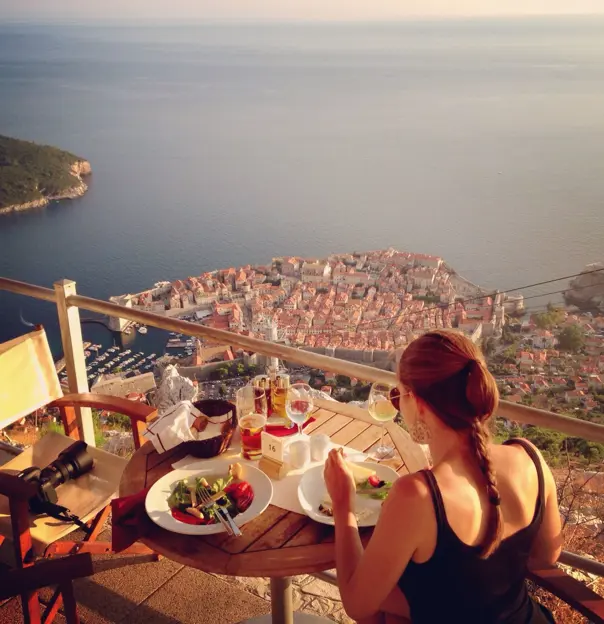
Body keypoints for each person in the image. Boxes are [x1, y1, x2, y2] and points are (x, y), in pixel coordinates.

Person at [325, 329, 562, 623]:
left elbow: (357, 605)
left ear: (420, 404)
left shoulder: (418, 495)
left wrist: (343, 506)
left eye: (399, 395)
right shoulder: (530, 456)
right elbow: (545, 557)